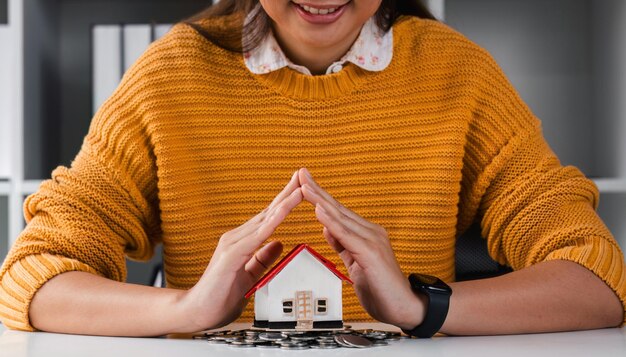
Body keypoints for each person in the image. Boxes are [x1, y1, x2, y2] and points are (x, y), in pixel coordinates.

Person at [0, 0, 624, 337]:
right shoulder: (169, 78)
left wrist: (418, 307)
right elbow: (32, 276)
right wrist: (185, 310)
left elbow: (597, 281)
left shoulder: (457, 74)